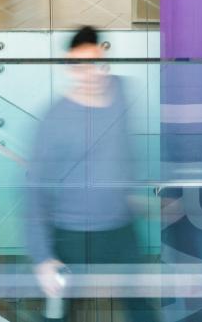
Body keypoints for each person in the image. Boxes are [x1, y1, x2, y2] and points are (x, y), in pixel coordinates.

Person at [26, 26, 155, 322]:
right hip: (71, 235)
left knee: (141, 310)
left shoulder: (121, 91)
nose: (91, 73)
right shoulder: (54, 119)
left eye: (96, 63)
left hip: (120, 228)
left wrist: (132, 198)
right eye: (80, 65)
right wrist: (42, 257)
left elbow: (124, 152)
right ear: (69, 67)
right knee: (59, 314)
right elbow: (35, 190)